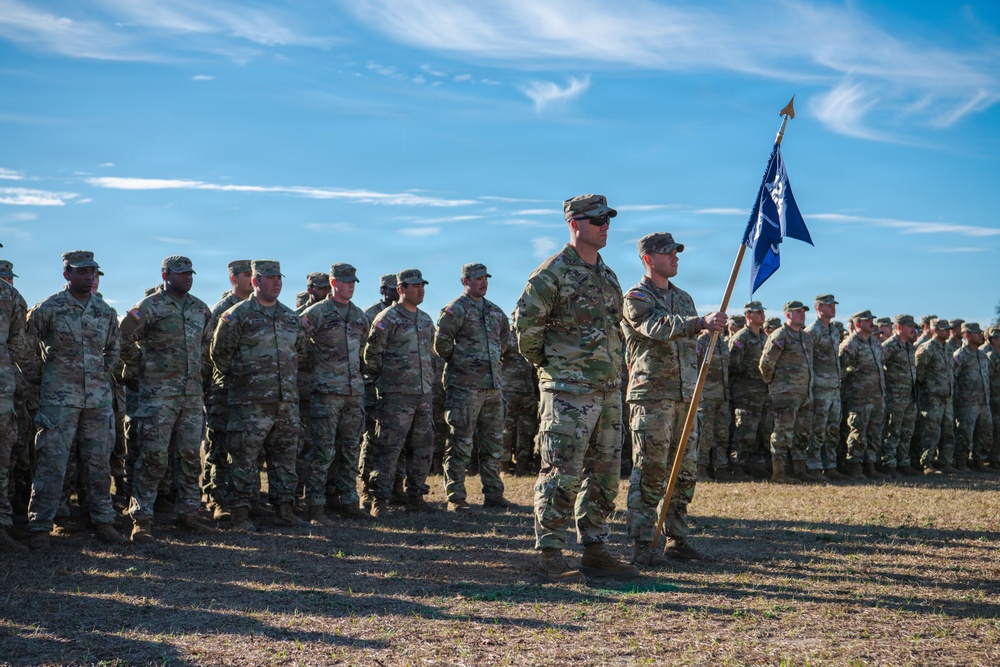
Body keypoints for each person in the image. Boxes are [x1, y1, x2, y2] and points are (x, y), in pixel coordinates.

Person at [515, 193, 637, 583]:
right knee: (561, 472)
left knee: (604, 473)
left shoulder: (608, 275)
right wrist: (556, 368)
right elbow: (526, 330)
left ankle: (595, 547)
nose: (605, 226)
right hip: (568, 391)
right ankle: (550, 552)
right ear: (575, 223)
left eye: (608, 219)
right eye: (597, 219)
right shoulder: (551, 273)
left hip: (606, 390)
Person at [622, 231, 727, 566]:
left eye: (676, 252)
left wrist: (709, 331)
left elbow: (689, 342)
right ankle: (642, 544)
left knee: (684, 470)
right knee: (651, 469)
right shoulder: (636, 296)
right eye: (668, 253)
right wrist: (699, 323)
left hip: (685, 394)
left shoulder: (684, 298)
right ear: (648, 259)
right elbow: (656, 326)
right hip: (652, 395)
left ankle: (676, 539)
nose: (675, 257)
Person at [25, 251, 127, 549]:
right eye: (81, 271)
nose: (89, 276)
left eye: (92, 271)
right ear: (67, 274)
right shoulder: (48, 308)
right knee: (52, 463)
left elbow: (113, 350)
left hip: (97, 400)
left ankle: (103, 521)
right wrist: (44, 382)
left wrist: (99, 375)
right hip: (59, 400)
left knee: (98, 464)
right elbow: (27, 348)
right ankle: (41, 526)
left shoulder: (105, 311)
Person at [119, 256, 215, 542]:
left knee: (188, 457)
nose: (187, 277)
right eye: (181, 273)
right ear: (165, 275)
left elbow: (207, 348)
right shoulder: (149, 306)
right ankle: (142, 518)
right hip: (157, 396)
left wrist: (201, 378)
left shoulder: (200, 308)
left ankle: (188, 513)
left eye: (190, 273)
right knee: (152, 457)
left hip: (190, 397)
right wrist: (142, 367)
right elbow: (122, 339)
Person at [210, 260, 306, 532]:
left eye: (279, 277)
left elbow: (301, 351)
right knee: (243, 458)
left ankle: (284, 510)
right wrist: (244, 381)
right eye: (269, 278)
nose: (276, 282)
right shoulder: (236, 315)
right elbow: (220, 355)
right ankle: (240, 513)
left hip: (285, 401)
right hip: (249, 402)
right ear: (255, 281)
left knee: (285, 458)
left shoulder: (290, 317)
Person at [435, 263, 511, 511]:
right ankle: (456, 497)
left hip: (492, 387)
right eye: (477, 278)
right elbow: (442, 344)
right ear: (465, 281)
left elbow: (504, 341)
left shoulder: (495, 311)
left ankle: (493, 494)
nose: (483, 282)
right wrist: (464, 364)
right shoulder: (455, 310)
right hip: (465, 387)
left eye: (485, 278)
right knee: (461, 442)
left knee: (493, 443)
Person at [298, 263, 371, 524]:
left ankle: (348, 500)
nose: (350, 285)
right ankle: (315, 506)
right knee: (322, 450)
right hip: (326, 392)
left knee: (350, 448)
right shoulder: (315, 313)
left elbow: (363, 351)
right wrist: (320, 369)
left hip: (353, 392)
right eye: (345, 281)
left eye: (353, 281)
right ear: (333, 283)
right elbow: (298, 347)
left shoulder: (360, 316)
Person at [364, 268, 438, 517]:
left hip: (423, 394)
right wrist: (386, 383)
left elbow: (432, 354)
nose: (420, 289)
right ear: (401, 289)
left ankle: (416, 496)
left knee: (423, 448)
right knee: (389, 448)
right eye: (415, 285)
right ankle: (379, 500)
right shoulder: (388, 318)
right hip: (396, 395)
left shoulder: (426, 320)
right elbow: (372, 357)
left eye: (422, 285)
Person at [202, 260, 252, 520]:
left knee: (246, 449)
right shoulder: (221, 309)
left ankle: (245, 499)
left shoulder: (257, 309)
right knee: (219, 446)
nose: (251, 278)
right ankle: (216, 499)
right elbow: (209, 354)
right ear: (233, 278)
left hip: (250, 395)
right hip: (222, 391)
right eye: (246, 274)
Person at [759, 301, 816, 484]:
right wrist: (774, 384)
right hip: (785, 394)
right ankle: (779, 472)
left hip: (804, 393)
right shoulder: (780, 335)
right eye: (798, 312)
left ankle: (799, 469)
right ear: (788, 314)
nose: (802, 314)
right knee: (782, 433)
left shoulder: (805, 337)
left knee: (803, 432)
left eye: (803, 311)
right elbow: (766, 363)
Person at [0, 255, 33, 553]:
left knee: (3, 455)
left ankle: (1, 528)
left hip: (2, 388)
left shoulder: (10, 296)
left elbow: (17, 343)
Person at [359, 273, 399, 509]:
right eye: (393, 289)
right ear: (384, 291)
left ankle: (396, 487)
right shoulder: (370, 316)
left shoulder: (406, 315)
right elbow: (365, 355)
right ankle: (366, 489)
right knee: (373, 439)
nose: (397, 292)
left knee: (396, 441)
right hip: (374, 386)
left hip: (397, 388)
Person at [839, 310, 887, 480]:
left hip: (877, 396)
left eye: (872, 320)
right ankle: (855, 467)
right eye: (867, 321)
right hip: (859, 396)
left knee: (874, 432)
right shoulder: (852, 342)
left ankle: (871, 466)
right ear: (858, 324)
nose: (871, 323)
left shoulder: (874, 342)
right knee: (858, 432)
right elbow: (841, 366)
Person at [805, 294, 845, 481]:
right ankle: (813, 466)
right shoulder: (813, 330)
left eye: (833, 305)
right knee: (818, 429)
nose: (833, 308)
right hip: (820, 387)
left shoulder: (834, 330)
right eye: (829, 305)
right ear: (819, 308)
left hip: (834, 387)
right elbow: (807, 358)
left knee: (833, 429)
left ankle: (830, 465)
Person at [729, 301, 769, 478]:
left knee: (759, 431)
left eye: (762, 311)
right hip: (745, 392)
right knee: (744, 430)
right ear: (748, 316)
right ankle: (737, 465)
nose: (762, 315)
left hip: (761, 392)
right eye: (758, 312)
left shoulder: (763, 337)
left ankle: (755, 465)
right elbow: (731, 365)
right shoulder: (741, 338)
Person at [880, 314, 920, 476]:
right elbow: (879, 365)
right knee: (893, 431)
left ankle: (903, 461)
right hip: (895, 396)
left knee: (907, 431)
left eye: (913, 326)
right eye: (909, 326)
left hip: (910, 396)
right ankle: (889, 463)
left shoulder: (910, 347)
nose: (913, 329)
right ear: (899, 328)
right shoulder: (889, 346)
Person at [915, 319, 956, 473]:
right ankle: (926, 463)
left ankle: (945, 462)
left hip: (947, 397)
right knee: (931, 431)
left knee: (948, 431)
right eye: (944, 329)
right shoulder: (926, 348)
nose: (948, 331)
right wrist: (928, 389)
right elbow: (919, 372)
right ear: (935, 330)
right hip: (932, 397)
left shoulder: (948, 348)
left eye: (948, 329)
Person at [952, 323, 992, 471]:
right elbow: (953, 379)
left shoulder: (982, 355)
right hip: (966, 403)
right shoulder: (959, 356)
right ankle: (961, 462)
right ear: (967, 335)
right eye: (977, 333)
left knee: (985, 433)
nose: (981, 335)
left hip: (983, 402)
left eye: (981, 332)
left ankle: (979, 462)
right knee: (965, 434)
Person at [984, 326, 1000, 471]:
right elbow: (987, 380)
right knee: (995, 429)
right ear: (994, 340)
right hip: (994, 399)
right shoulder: (991, 357)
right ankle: (994, 459)